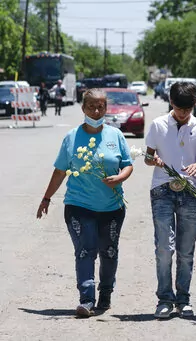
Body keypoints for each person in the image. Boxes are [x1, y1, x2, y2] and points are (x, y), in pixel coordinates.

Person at [36, 88, 133, 317]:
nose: (97, 111)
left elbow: (128, 164)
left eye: (101, 106)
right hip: (79, 206)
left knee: (109, 252)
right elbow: (60, 171)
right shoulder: (71, 138)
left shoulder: (116, 136)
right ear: (83, 108)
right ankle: (87, 299)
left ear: (106, 108)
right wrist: (47, 197)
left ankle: (106, 293)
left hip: (112, 207)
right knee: (85, 250)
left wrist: (120, 177)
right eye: (92, 106)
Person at [145, 82, 196, 319]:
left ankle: (183, 299)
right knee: (164, 248)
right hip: (162, 191)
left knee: (186, 251)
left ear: (194, 104)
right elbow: (147, 157)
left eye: (188, 108)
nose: (183, 113)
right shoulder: (158, 124)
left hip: (190, 193)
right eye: (179, 107)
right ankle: (164, 298)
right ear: (171, 102)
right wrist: (154, 161)